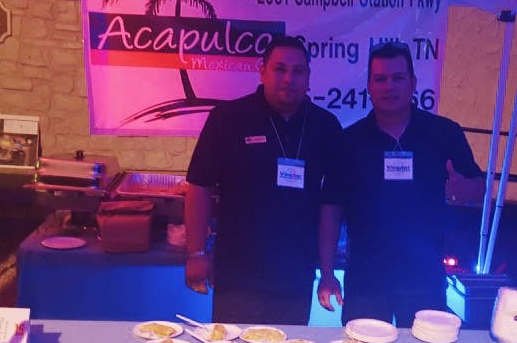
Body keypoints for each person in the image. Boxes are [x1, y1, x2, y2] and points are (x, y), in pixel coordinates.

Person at [317, 41, 485, 327]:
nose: (389, 86)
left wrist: (462, 191)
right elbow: (331, 209)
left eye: (398, 78)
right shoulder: (349, 141)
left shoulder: (444, 133)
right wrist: (327, 271)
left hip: (424, 279)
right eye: (380, 79)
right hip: (365, 282)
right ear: (369, 85)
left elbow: (479, 189)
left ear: (413, 83)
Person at [184, 36, 344, 325]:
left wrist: (328, 271)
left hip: (295, 276)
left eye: (298, 71)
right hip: (237, 274)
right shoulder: (228, 118)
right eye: (280, 69)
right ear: (262, 72)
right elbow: (199, 187)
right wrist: (196, 253)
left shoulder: (326, 126)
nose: (288, 78)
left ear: (308, 77)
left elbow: (330, 204)